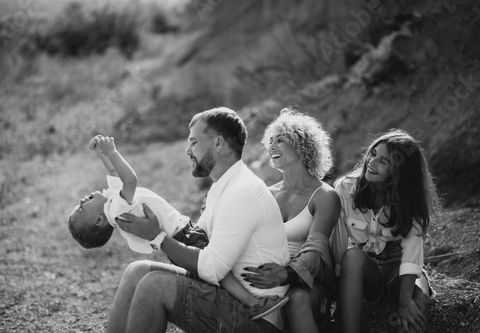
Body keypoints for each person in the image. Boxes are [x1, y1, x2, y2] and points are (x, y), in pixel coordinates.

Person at [107, 107, 291, 333]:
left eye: (194, 142)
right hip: (231, 297)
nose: (187, 150)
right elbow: (196, 244)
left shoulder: (242, 191)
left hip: (258, 317)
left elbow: (211, 269)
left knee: (154, 286)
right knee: (138, 271)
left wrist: (158, 236)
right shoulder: (223, 186)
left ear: (218, 143)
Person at [67, 134, 288, 320]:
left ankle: (238, 300)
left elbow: (115, 175)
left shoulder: (113, 200)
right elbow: (129, 179)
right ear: (98, 221)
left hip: (181, 233)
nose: (82, 201)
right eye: (81, 208)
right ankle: (253, 302)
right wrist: (113, 152)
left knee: (215, 270)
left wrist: (103, 154)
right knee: (217, 270)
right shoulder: (116, 209)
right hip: (181, 237)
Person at [331, 129, 441, 333]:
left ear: (400, 172)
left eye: (383, 161)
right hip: (365, 267)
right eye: (373, 154)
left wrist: (406, 300)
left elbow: (412, 254)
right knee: (353, 256)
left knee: (421, 301)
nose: (371, 162)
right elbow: (338, 242)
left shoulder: (411, 201)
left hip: (397, 266)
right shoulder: (345, 188)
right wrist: (338, 289)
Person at [241, 108, 341, 333]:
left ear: (302, 145)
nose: (272, 146)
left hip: (305, 282)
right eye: (271, 141)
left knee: (295, 299)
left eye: (281, 140)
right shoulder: (265, 194)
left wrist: (287, 274)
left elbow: (316, 249)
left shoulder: (325, 195)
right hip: (264, 275)